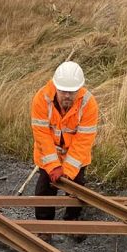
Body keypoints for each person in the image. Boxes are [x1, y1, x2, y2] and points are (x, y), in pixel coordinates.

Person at [30, 60, 99, 241]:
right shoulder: (42, 98)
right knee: (44, 189)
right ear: (55, 86)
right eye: (63, 91)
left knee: (76, 188)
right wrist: (53, 166)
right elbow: (41, 135)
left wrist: (67, 172)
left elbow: (83, 141)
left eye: (72, 92)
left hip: (75, 156)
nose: (67, 96)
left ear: (80, 89)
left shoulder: (88, 104)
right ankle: (45, 227)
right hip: (48, 153)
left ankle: (72, 221)